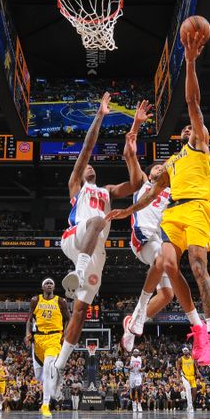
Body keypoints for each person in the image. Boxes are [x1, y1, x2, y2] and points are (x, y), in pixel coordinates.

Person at [107, 29, 210, 365]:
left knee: (190, 272)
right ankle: (150, 317)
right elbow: (149, 193)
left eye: (192, 127)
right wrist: (126, 209)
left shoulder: (200, 144)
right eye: (186, 128)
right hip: (166, 220)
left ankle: (209, 331)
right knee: (167, 262)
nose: (188, 128)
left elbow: (192, 103)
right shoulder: (169, 167)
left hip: (199, 209)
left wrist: (189, 62)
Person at [51, 94, 143, 387]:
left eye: (92, 165)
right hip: (74, 239)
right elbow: (88, 146)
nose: (88, 165)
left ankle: (59, 365)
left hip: (96, 253)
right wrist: (101, 116)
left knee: (80, 311)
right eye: (85, 165)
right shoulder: (76, 185)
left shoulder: (106, 191)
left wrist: (132, 149)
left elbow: (136, 184)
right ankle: (76, 271)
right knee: (96, 220)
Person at [119, 102, 177, 351]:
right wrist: (137, 123)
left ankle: (133, 323)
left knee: (167, 295)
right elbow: (129, 153)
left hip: (160, 241)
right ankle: (140, 309)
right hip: (143, 239)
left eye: (163, 168)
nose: (159, 168)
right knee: (162, 259)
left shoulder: (172, 192)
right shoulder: (143, 182)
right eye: (156, 166)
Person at [25, 278, 70, 418]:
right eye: (47, 283)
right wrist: (28, 333)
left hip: (54, 338)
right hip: (38, 339)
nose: (49, 285)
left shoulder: (61, 301)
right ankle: (48, 387)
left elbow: (68, 318)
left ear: (54, 287)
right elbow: (29, 319)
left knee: (48, 369)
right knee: (39, 375)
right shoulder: (35, 300)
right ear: (42, 286)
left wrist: (65, 334)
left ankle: (45, 405)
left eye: (51, 283)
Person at [177, 347, 200, 413]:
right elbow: (178, 370)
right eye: (184, 350)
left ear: (188, 351)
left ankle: (190, 405)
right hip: (185, 377)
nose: (185, 351)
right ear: (183, 352)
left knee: (194, 391)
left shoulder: (192, 358)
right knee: (188, 389)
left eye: (186, 350)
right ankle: (190, 407)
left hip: (192, 377)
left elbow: (196, 368)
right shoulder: (180, 359)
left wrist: (198, 373)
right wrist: (178, 379)